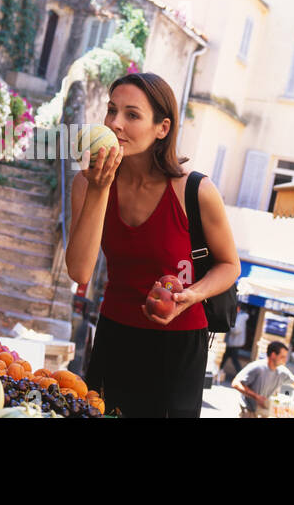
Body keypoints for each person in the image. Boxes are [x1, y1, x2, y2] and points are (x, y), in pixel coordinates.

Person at [66, 72, 241, 418]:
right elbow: (79, 270)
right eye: (111, 110)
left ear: (162, 128)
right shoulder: (87, 185)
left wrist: (192, 295)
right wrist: (101, 189)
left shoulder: (196, 192)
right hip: (114, 335)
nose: (115, 124)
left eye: (132, 115)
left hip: (179, 346)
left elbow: (229, 265)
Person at [233, 341, 294, 418]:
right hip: (248, 412)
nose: (285, 360)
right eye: (282, 357)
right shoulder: (257, 367)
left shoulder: (282, 371)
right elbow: (236, 383)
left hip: (263, 412)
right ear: (273, 355)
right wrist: (256, 397)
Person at [218, 307, 250, 384]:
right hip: (232, 343)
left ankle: (242, 376)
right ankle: (218, 370)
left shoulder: (241, 316)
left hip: (235, 343)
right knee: (226, 357)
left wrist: (228, 325)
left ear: (238, 308)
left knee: (233, 359)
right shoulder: (238, 315)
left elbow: (236, 329)